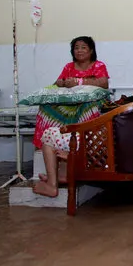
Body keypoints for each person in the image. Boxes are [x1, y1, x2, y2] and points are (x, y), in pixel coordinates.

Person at [33, 36, 110, 197]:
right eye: (76, 47)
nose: (79, 50)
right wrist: (62, 83)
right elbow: (57, 83)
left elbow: (103, 84)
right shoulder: (69, 66)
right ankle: (60, 175)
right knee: (46, 108)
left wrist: (78, 83)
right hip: (68, 107)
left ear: (91, 50)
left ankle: (54, 179)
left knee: (89, 109)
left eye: (83, 47)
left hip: (88, 106)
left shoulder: (98, 65)